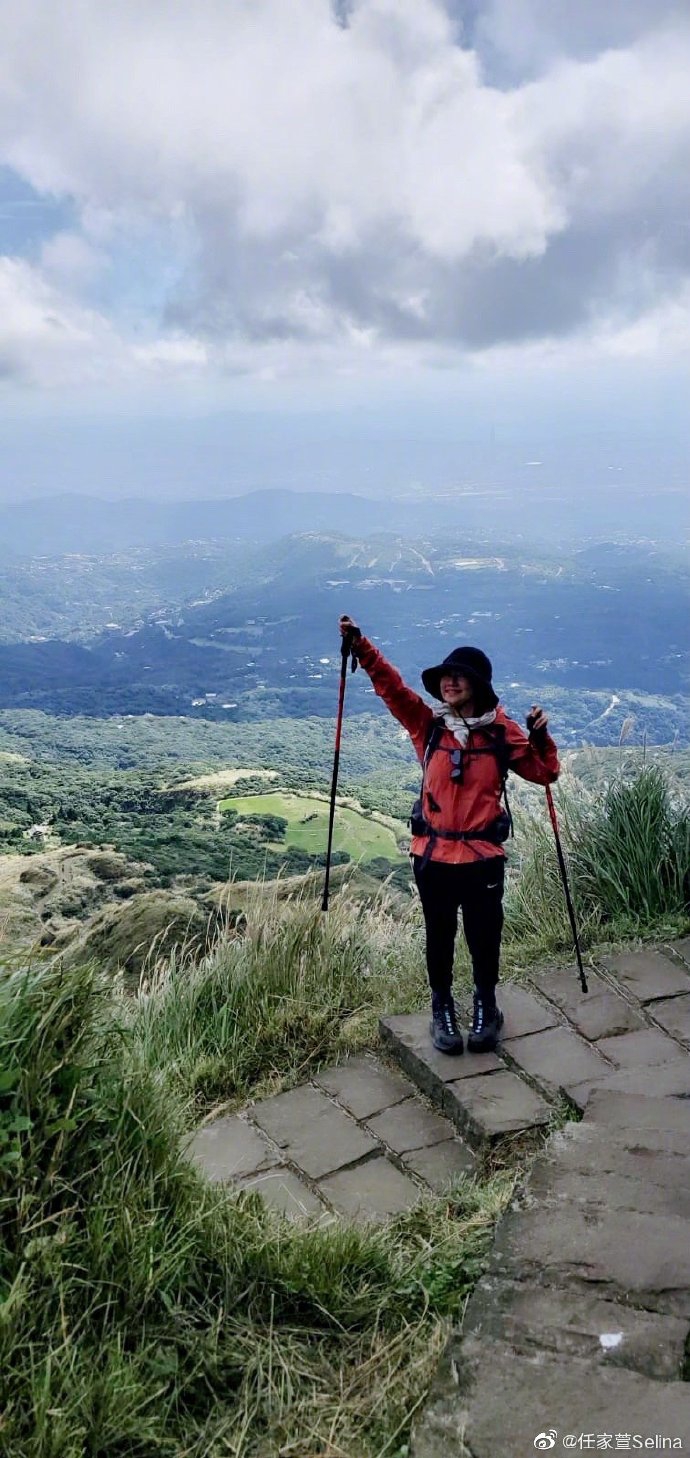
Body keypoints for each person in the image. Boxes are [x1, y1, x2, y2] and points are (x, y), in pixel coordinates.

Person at [338, 615, 560, 1055]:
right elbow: (393, 689)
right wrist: (362, 648)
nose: (450, 683)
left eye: (459, 677)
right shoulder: (429, 726)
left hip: (480, 857)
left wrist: (542, 738)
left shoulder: (502, 732)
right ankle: (441, 1008)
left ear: (478, 685)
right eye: (445, 677)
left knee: (484, 935)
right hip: (433, 855)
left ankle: (486, 1006)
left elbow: (545, 772)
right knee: (438, 936)